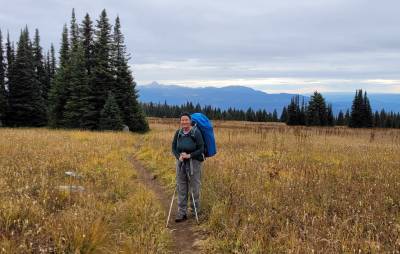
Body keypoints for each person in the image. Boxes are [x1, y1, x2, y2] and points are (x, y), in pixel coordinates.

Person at [171, 112, 205, 222]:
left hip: (194, 162)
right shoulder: (178, 133)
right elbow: (174, 148)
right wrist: (179, 157)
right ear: (180, 122)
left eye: (186, 120)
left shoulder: (196, 132)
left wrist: (190, 155)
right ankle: (182, 212)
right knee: (181, 187)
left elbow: (201, 149)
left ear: (190, 121)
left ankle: (195, 211)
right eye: (182, 120)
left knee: (194, 187)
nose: (184, 122)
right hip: (181, 163)